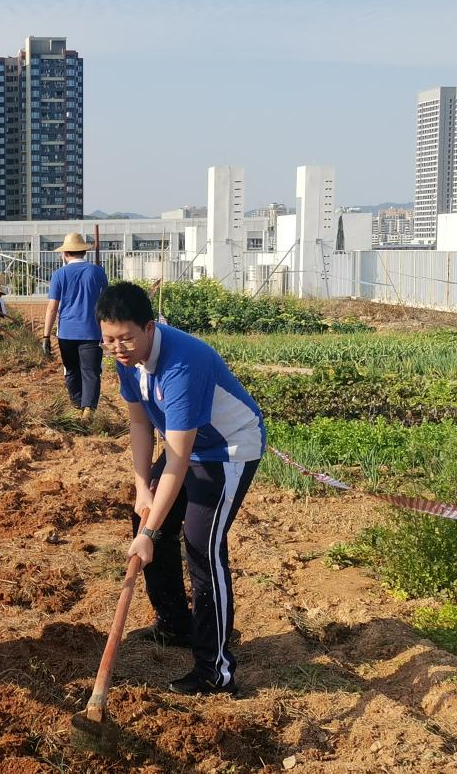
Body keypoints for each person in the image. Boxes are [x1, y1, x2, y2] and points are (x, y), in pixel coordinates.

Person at [97, 283, 264, 696]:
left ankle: (215, 668)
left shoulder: (182, 364)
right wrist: (142, 491)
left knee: (201, 547)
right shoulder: (126, 357)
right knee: (146, 515)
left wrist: (150, 533)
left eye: (126, 338)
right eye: (108, 339)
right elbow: (139, 422)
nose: (117, 347)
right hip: (183, 446)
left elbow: (178, 458)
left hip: (226, 449)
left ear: (150, 327)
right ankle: (174, 624)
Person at [42, 232, 109, 419]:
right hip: (92, 331)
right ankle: (89, 409)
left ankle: (76, 404)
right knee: (91, 371)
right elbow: (106, 303)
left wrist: (46, 336)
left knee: (71, 369)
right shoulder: (97, 272)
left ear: (65, 254)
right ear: (84, 252)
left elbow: (52, 308)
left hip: (66, 333)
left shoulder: (59, 275)